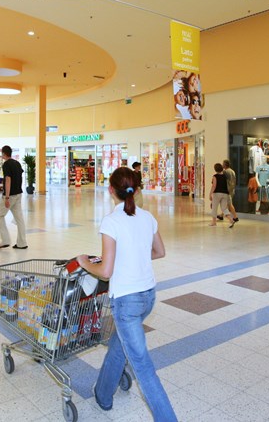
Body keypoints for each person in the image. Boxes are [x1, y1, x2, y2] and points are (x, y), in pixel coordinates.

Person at [76, 167, 177, 422]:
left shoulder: (112, 221)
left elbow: (106, 271)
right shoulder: (147, 217)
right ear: (137, 189)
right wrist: (134, 258)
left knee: (144, 368)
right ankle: (102, 394)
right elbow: (160, 251)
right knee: (120, 344)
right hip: (148, 297)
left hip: (127, 301)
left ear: (111, 190)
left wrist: (84, 262)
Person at [0, 145, 27, 249]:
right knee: (19, 219)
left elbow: (8, 180)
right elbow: (20, 178)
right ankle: (22, 243)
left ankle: (5, 240)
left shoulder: (6, 164)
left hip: (10, 195)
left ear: (4, 153)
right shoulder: (17, 163)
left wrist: (7, 197)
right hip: (18, 194)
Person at [210, 163, 235, 228]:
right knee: (224, 208)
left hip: (217, 194)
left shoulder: (215, 176)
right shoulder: (225, 176)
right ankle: (231, 220)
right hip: (225, 194)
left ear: (215, 169)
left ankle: (214, 222)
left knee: (214, 207)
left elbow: (214, 186)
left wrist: (210, 194)